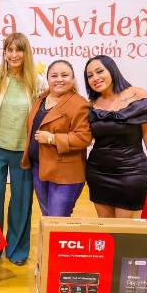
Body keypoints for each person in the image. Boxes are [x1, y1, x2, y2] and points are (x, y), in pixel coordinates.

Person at [0, 33, 47, 265]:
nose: (14, 55)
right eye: (10, 50)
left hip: (24, 152)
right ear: (4, 52)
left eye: (19, 50)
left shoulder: (38, 82)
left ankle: (17, 250)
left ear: (26, 53)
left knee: (21, 201)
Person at [84, 55, 147, 218]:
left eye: (100, 71)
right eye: (90, 75)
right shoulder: (92, 105)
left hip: (132, 173)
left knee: (124, 229)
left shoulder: (138, 95)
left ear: (112, 70)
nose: (95, 78)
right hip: (98, 173)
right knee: (105, 228)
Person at [21, 60, 92, 217]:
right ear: (47, 79)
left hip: (65, 173)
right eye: (54, 76)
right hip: (39, 168)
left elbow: (84, 137)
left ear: (72, 79)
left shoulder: (80, 104)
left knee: (57, 219)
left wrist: (52, 138)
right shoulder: (41, 99)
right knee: (48, 217)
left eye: (64, 75)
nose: (59, 79)